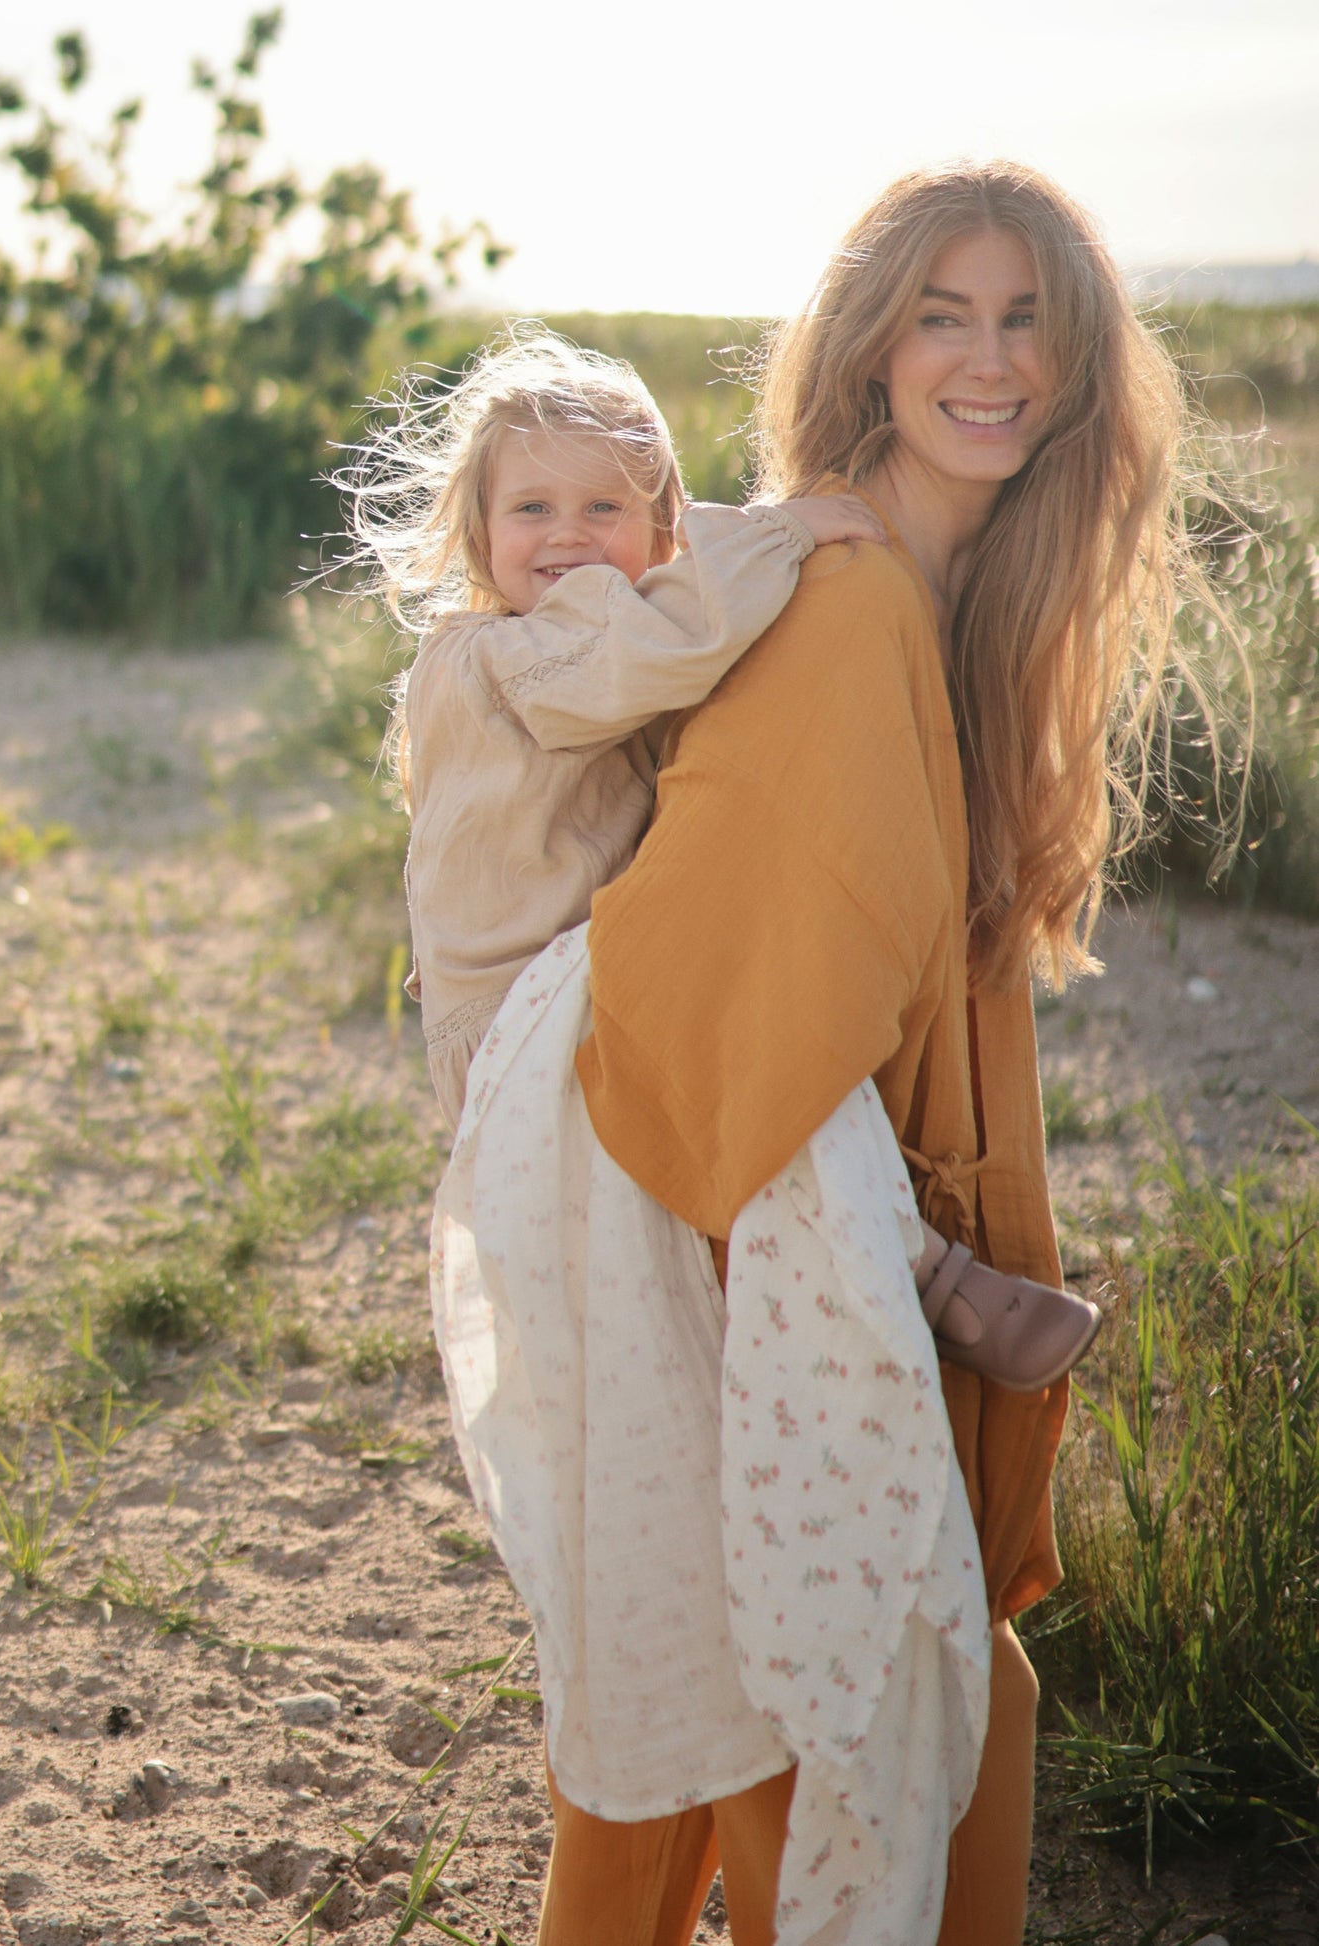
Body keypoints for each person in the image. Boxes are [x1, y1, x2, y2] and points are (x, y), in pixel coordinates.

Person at [431, 162, 1230, 1946]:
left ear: (1079, 361)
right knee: (830, 1718)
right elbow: (719, 975)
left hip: (758, 1172)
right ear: (872, 347)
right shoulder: (845, 595)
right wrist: (847, 1263)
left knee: (694, 1730)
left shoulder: (949, 601)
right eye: (942, 316)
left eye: (1024, 318)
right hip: (711, 1188)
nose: (988, 359)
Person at [348, 324, 1098, 1393]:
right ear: (477, 530)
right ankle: (929, 1275)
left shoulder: (578, 651)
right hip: (521, 1018)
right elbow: (656, 641)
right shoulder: (499, 661)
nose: (567, 535)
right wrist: (778, 533)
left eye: (602, 508)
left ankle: (821, 1350)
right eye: (531, 509)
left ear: (660, 529)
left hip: (576, 987)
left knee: (705, 1150)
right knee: (755, 1056)